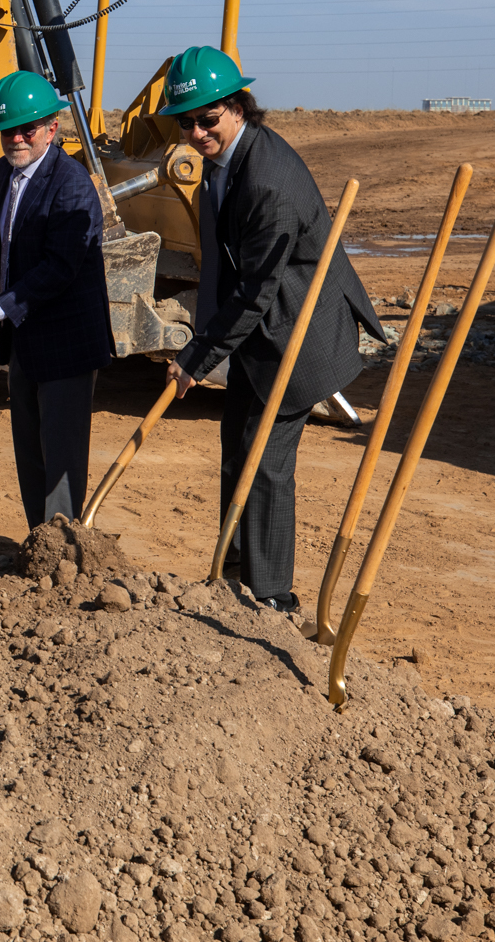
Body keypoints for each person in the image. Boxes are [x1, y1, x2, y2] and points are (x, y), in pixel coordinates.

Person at [161, 45, 383, 611]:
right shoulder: (226, 159)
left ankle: (272, 596)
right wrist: (205, 340)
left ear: (239, 107)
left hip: (295, 333)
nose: (196, 132)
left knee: (266, 462)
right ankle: (232, 574)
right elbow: (225, 267)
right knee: (236, 447)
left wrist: (196, 357)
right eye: (185, 122)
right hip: (259, 332)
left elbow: (258, 290)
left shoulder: (269, 182)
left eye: (208, 119)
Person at [0, 71, 115, 529]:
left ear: (52, 128)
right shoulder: (3, 171)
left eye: (27, 129)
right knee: (29, 448)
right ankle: (38, 541)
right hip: (26, 339)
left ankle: (63, 550)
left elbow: (60, 267)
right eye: (7, 130)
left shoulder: (71, 185)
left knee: (61, 453)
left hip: (66, 341)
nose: (16, 139)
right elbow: (15, 227)